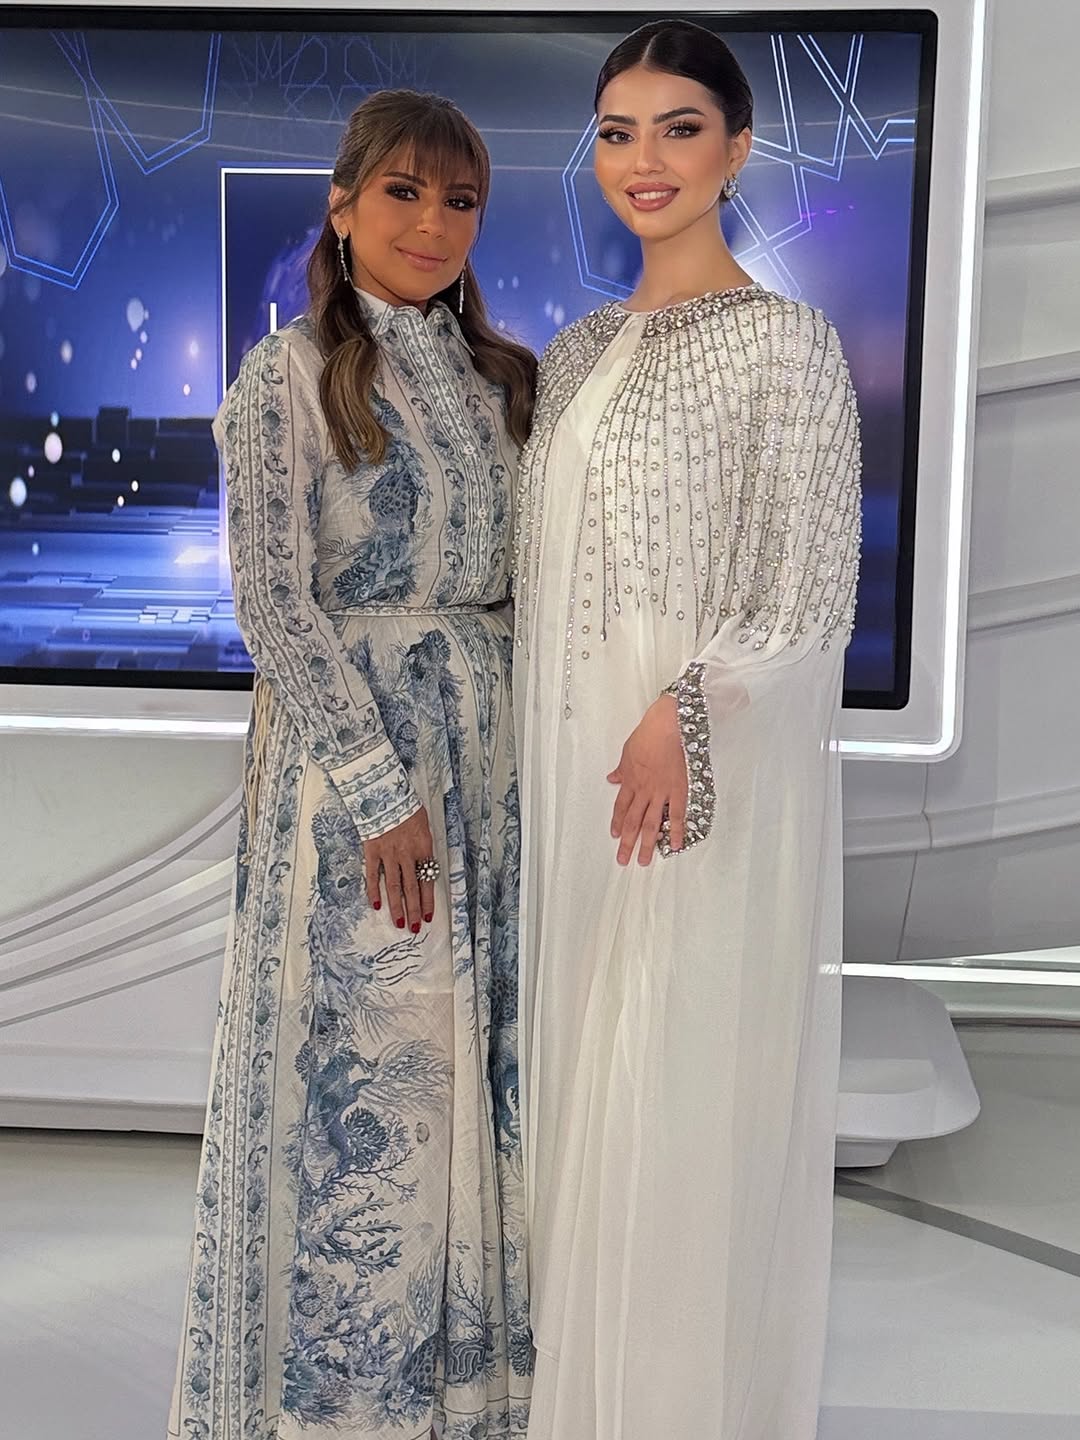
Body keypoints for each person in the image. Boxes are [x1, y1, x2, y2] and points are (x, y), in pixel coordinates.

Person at [169, 90, 536, 1440]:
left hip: (495, 763)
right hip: (357, 784)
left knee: (486, 1065)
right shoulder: (285, 377)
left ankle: (477, 1400)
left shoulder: (509, 380)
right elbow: (272, 602)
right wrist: (382, 794)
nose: (432, 222)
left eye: (460, 199)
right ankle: (344, 1409)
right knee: (374, 1083)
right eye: (403, 191)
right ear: (341, 205)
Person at [514, 20, 862, 1439]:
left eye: (677, 127)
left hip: (693, 784)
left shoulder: (789, 346)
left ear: (738, 149)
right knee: (581, 1086)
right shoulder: (573, 351)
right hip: (571, 779)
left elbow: (811, 587)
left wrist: (688, 713)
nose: (642, 160)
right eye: (616, 132)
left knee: (670, 1088)